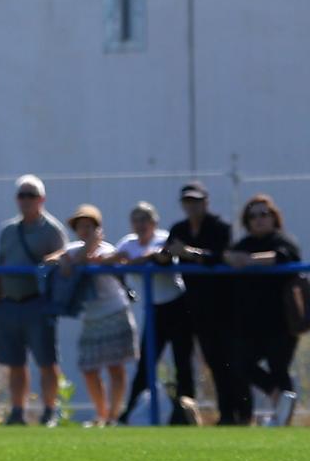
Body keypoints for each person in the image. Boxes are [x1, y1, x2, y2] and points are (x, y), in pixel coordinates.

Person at [0, 174, 68, 426]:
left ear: (41, 199)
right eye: (22, 195)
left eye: (31, 195)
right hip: (9, 303)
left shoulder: (52, 230)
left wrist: (52, 260)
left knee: (46, 361)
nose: (26, 200)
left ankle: (50, 410)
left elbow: (64, 259)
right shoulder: (8, 230)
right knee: (15, 363)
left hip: (38, 303)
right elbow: (0, 266)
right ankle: (18, 411)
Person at [164, 182, 239, 423]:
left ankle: (228, 414)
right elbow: (166, 255)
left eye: (196, 201)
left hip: (218, 304)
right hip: (189, 302)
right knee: (182, 359)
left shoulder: (220, 227)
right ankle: (185, 414)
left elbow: (221, 256)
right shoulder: (179, 228)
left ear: (206, 202)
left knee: (217, 360)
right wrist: (161, 255)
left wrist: (188, 252)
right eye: (187, 201)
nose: (192, 206)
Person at [224, 194, 301, 427]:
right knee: (241, 363)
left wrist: (250, 260)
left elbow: (285, 256)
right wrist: (230, 257)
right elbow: (228, 256)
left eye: (264, 214)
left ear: (274, 217)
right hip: (250, 322)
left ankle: (283, 418)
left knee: (279, 368)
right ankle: (279, 399)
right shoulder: (243, 244)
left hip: (281, 321)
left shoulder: (282, 240)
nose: (258, 219)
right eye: (253, 216)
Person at [113, 202, 189, 424]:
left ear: (154, 222)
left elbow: (160, 255)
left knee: (182, 361)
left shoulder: (163, 238)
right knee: (146, 363)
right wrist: (125, 282)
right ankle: (128, 413)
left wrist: (137, 260)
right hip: (154, 309)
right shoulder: (128, 242)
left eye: (145, 219)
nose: (140, 224)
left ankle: (185, 413)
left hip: (177, 305)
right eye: (136, 219)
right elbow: (113, 260)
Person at [57, 205, 133, 427]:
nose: (85, 230)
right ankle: (101, 414)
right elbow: (52, 260)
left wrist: (88, 254)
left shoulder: (107, 249)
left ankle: (113, 417)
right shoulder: (72, 250)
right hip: (91, 318)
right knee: (89, 369)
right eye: (81, 226)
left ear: (98, 228)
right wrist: (64, 260)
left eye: (89, 226)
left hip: (114, 312)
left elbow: (112, 259)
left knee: (115, 367)